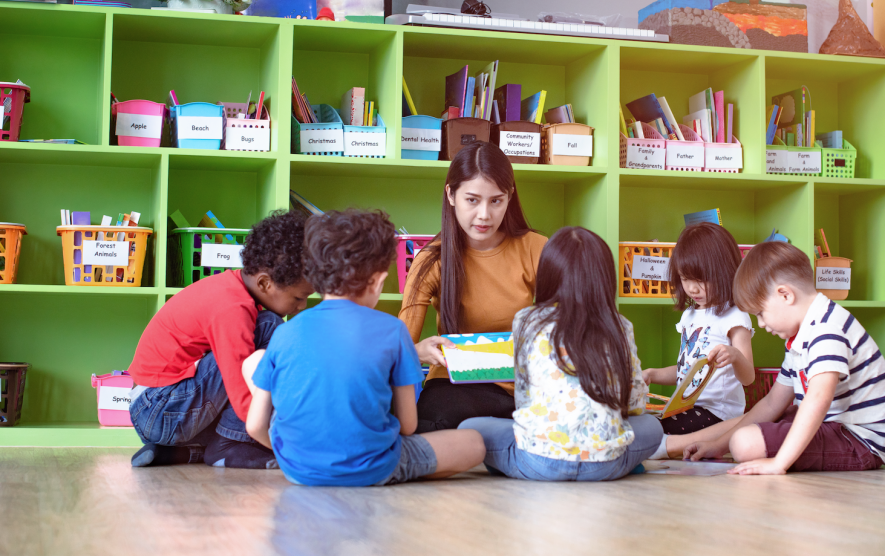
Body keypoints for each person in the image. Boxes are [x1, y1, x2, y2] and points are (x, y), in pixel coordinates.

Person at [243, 209, 485, 486]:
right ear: (378, 281)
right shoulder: (394, 331)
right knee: (474, 442)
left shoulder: (284, 332)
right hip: (374, 466)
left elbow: (255, 426)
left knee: (254, 362)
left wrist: (297, 457)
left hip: (297, 469)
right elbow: (408, 426)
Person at [459, 227, 663, 481]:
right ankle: (626, 464)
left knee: (469, 427)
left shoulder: (527, 320)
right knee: (652, 427)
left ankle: (507, 464)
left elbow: (523, 398)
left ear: (548, 274)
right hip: (605, 465)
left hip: (538, 461)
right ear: (604, 277)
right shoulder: (619, 325)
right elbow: (634, 405)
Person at [680, 241, 885, 474]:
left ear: (785, 295)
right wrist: (717, 446)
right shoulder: (802, 334)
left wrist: (779, 463)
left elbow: (817, 400)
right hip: (835, 426)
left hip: (860, 442)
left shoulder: (826, 329)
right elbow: (773, 402)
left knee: (744, 444)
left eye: (760, 314)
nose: (762, 324)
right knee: (766, 421)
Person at [129, 210, 314, 468]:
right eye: (298, 298)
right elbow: (241, 393)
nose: (302, 306)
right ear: (264, 284)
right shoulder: (233, 309)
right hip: (159, 408)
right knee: (269, 327)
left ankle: (187, 453)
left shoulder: (232, 289)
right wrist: (287, 445)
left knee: (258, 341)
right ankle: (229, 446)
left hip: (154, 408)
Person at [399, 141, 548, 432]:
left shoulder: (536, 248)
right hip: (454, 385)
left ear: (510, 197)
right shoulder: (431, 260)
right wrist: (418, 350)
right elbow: (400, 346)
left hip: (525, 387)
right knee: (433, 423)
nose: (484, 215)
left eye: (496, 200)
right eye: (472, 200)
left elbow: (567, 327)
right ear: (451, 195)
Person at [643, 223, 755, 459]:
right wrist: (652, 374)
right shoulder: (689, 316)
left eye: (701, 279)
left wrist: (735, 356)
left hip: (718, 413)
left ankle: (662, 448)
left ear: (725, 272)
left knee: (652, 431)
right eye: (685, 278)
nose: (692, 288)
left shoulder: (735, 316)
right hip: (688, 408)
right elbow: (687, 370)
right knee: (644, 424)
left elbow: (749, 378)